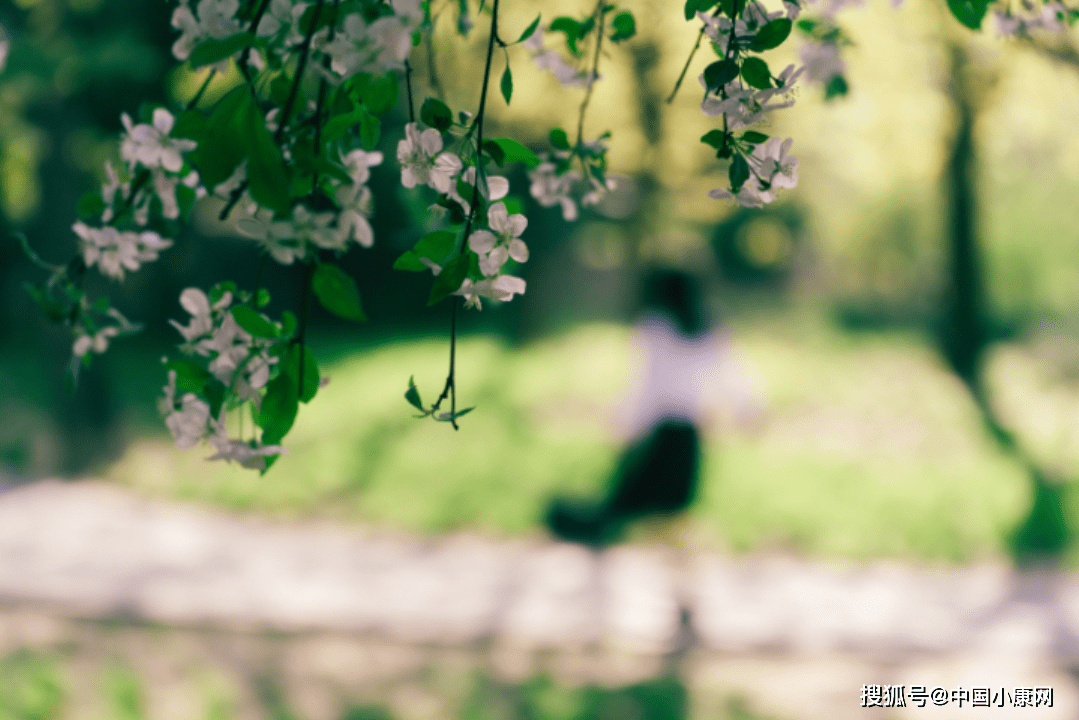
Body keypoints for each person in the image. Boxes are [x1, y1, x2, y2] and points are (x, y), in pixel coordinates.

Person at [545, 268, 762, 547]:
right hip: (689, 438)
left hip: (659, 434)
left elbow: (648, 386)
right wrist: (748, 407)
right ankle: (677, 575)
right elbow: (731, 370)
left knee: (622, 508)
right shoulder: (708, 324)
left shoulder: (656, 326)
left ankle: (582, 534)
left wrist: (626, 425)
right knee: (670, 513)